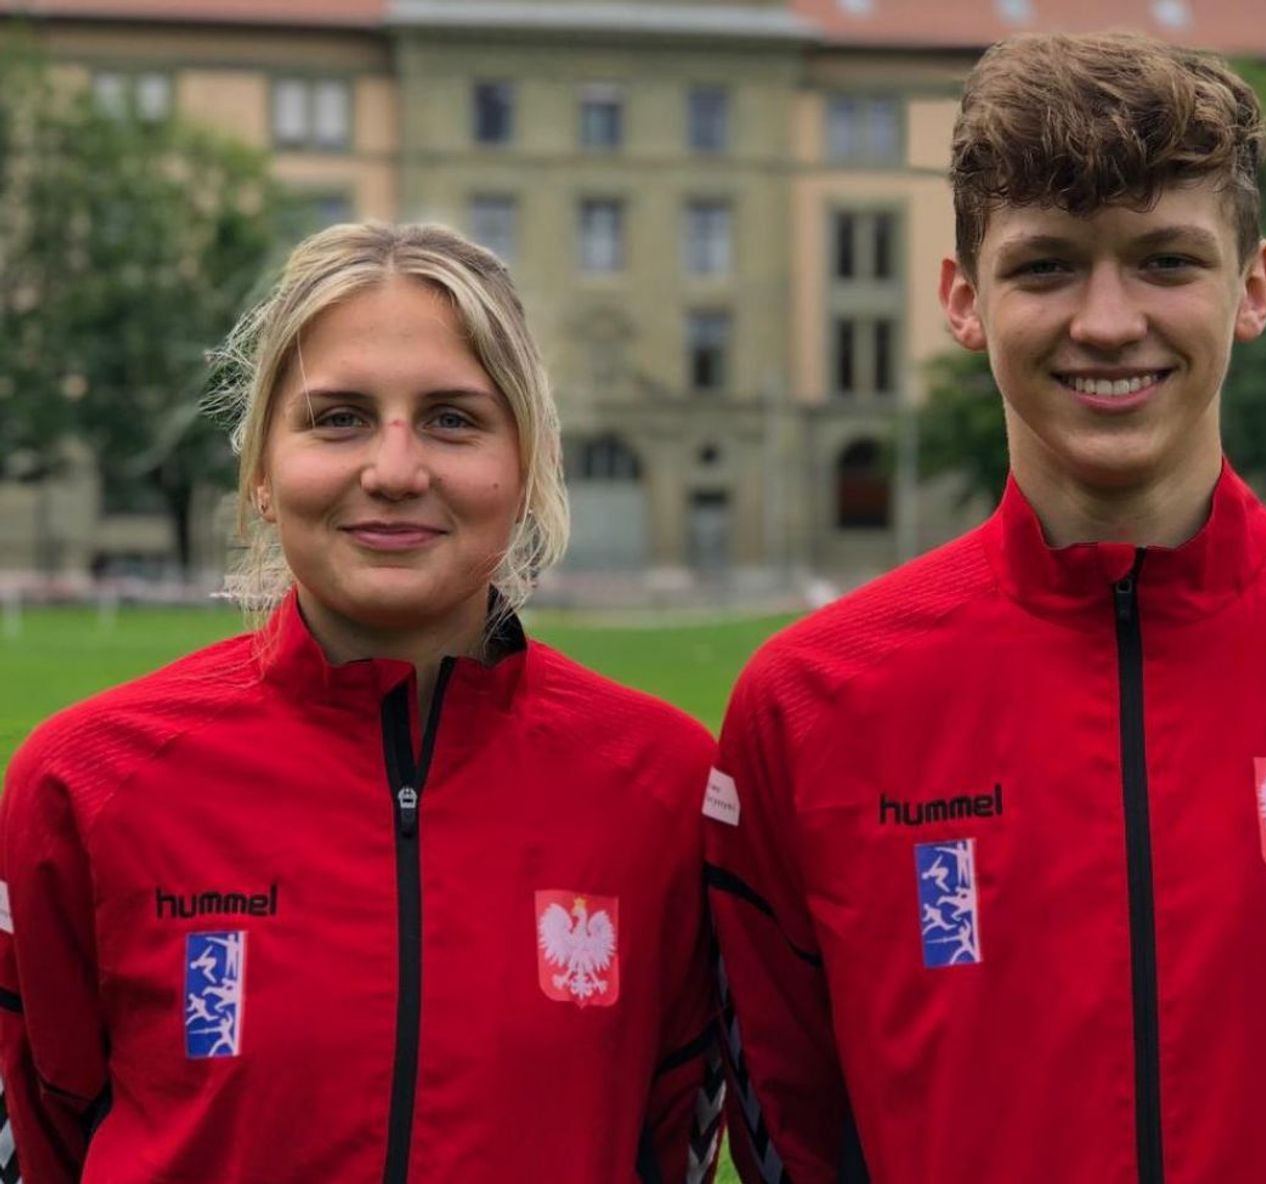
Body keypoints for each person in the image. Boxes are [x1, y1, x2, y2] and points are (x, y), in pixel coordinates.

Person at [704, 31, 1266, 1184]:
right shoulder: (809, 706)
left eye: (1165, 261)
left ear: (1253, 287)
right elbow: (790, 1137)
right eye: (1046, 266)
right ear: (963, 300)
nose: (1105, 320)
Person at [0, 223, 723, 1183]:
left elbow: (672, 1140)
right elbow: (44, 1136)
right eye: (337, 418)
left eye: (452, 420)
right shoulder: (86, 783)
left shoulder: (664, 786)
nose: (394, 470)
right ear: (262, 471)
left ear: (528, 466)